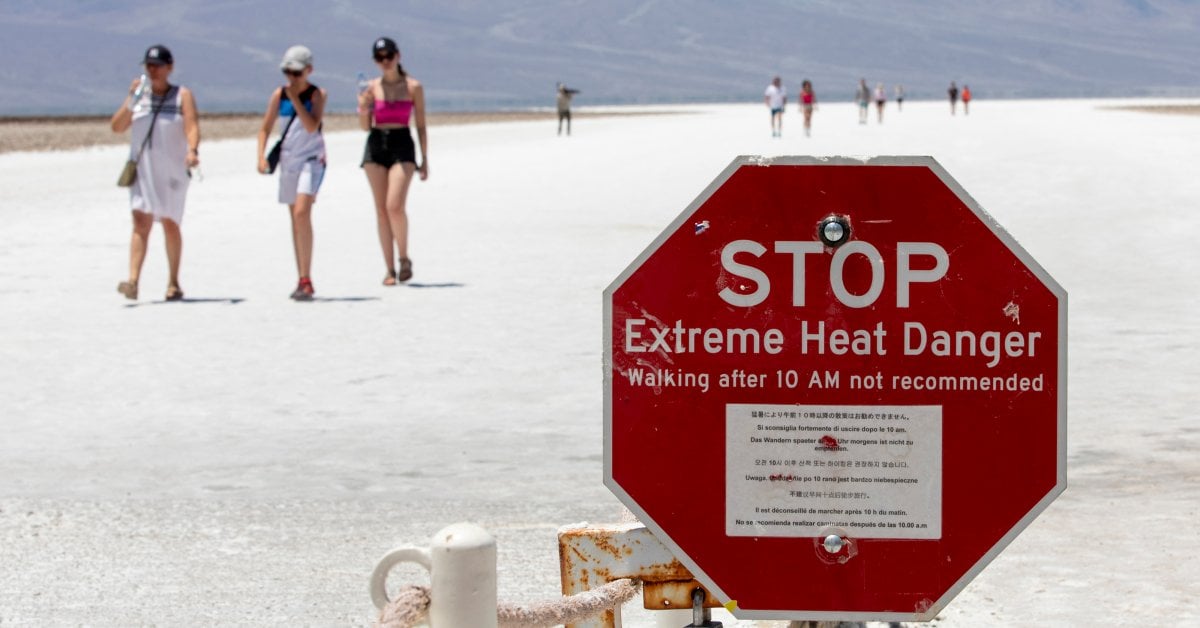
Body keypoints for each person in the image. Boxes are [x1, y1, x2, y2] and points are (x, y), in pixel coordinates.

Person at [110, 44, 200, 302]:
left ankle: (173, 281)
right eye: (149, 66)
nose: (152, 70)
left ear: (169, 67)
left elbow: (192, 125)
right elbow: (117, 127)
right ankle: (133, 281)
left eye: (157, 65)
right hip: (143, 169)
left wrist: (192, 150)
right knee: (140, 221)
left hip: (171, 170)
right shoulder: (140, 97)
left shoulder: (182, 95)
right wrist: (131, 100)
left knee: (170, 222)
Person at [256, 45, 327, 300]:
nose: (291, 78)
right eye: (288, 72)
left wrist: (296, 98)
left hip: (311, 159)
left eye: (296, 73)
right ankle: (302, 277)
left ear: (309, 71)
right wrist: (261, 156)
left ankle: (306, 277)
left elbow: (311, 126)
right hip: (288, 162)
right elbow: (264, 128)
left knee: (301, 212)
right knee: (295, 220)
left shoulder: (316, 94)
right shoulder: (279, 95)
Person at [358, 36, 428, 285]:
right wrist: (364, 108)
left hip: (402, 143)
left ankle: (404, 257)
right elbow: (365, 127)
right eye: (380, 58)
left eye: (389, 56)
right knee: (381, 210)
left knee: (394, 205)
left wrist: (425, 158)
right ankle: (389, 269)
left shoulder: (413, 87)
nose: (385, 62)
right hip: (377, 144)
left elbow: (420, 124)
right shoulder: (371, 88)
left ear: (398, 56)